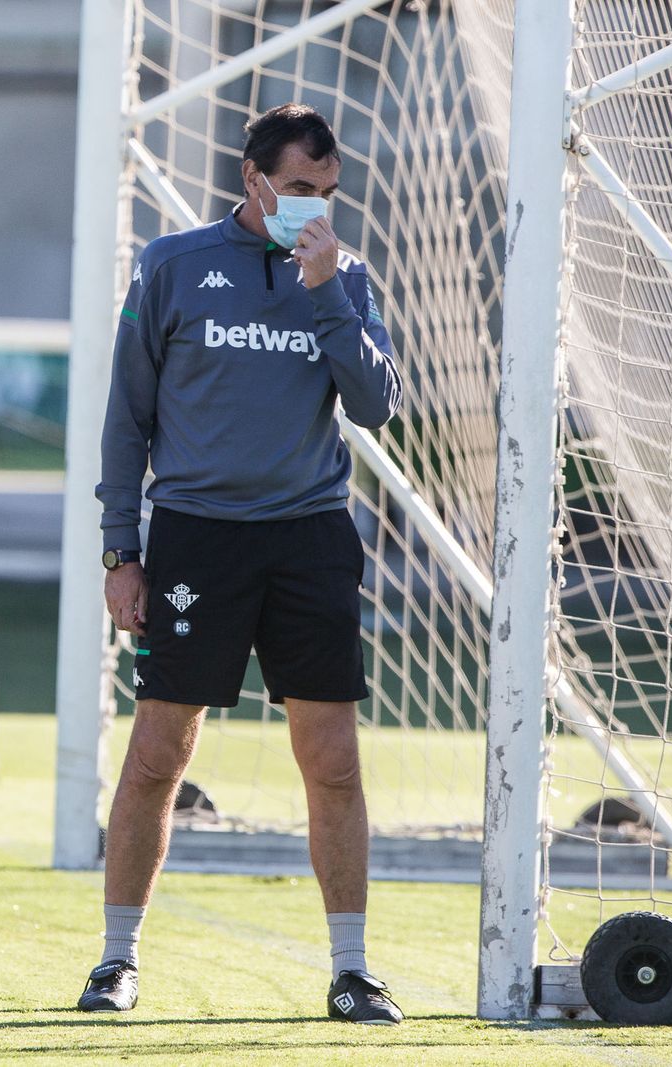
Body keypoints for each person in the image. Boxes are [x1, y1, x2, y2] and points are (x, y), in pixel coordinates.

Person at [80, 103, 405, 1024]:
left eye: (327, 194)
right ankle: (116, 960)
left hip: (308, 537)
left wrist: (325, 288)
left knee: (333, 762)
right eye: (298, 189)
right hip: (195, 537)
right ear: (253, 177)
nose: (313, 208)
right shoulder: (173, 265)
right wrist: (121, 550)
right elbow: (126, 420)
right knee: (155, 756)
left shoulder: (346, 276)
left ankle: (352, 968)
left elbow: (377, 404)